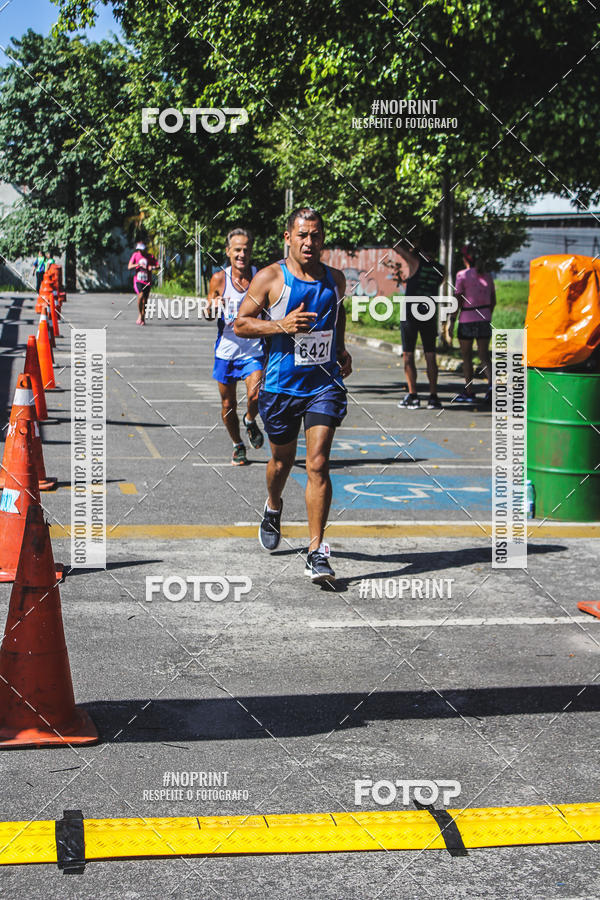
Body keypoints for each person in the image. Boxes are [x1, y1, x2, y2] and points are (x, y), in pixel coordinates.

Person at [234, 207, 352, 584]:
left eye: (315, 235)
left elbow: (337, 316)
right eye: (302, 235)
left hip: (323, 385)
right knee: (281, 462)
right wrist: (280, 325)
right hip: (280, 387)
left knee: (317, 463)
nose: (309, 242)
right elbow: (240, 323)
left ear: (323, 238)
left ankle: (316, 552)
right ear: (288, 237)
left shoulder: (335, 279)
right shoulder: (271, 277)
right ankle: (273, 505)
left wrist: (341, 348)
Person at [206, 227, 265, 466]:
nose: (242, 254)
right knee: (228, 404)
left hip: (253, 348)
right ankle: (237, 444)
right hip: (227, 350)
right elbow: (208, 313)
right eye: (237, 250)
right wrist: (212, 306)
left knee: (256, 393)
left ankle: (250, 419)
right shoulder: (219, 279)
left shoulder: (260, 277)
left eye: (246, 250)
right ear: (228, 251)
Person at [395, 242, 444, 409]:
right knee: (430, 355)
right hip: (429, 313)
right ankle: (433, 397)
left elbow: (397, 246)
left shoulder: (415, 262)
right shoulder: (441, 269)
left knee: (408, 355)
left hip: (411, 314)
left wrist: (410, 244)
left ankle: (413, 395)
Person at [450, 244, 495, 404]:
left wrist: (451, 321)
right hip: (484, 319)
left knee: (467, 357)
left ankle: (469, 391)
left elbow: (458, 300)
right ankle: (492, 387)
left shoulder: (462, 275)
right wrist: (486, 315)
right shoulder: (488, 276)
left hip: (467, 319)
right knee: (484, 356)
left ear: (465, 259)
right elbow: (493, 301)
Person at [127, 241, 159, 325]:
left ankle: (143, 317)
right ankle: (140, 315)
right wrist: (137, 265)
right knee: (140, 296)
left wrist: (152, 267)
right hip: (138, 280)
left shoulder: (150, 256)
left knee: (145, 300)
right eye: (139, 250)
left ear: (145, 249)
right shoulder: (135, 255)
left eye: (142, 250)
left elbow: (158, 266)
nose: (140, 251)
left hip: (147, 281)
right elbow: (129, 266)